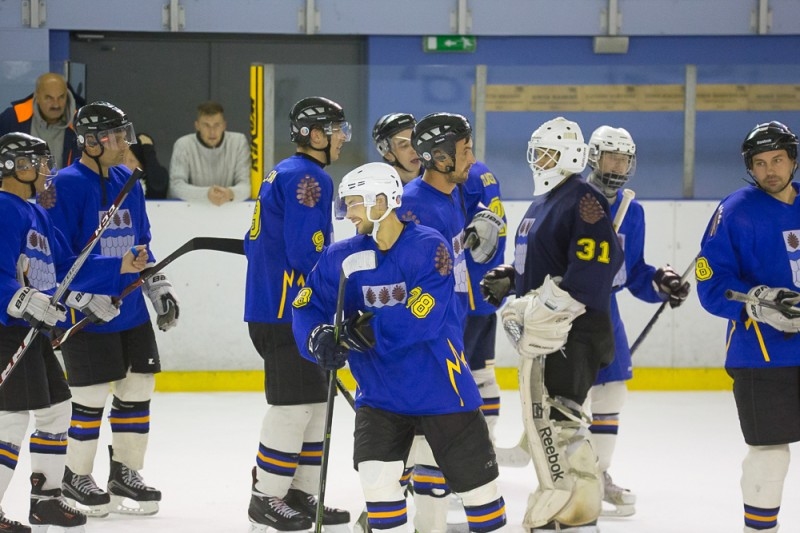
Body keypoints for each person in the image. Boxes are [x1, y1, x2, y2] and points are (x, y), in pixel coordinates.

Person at [291, 161, 508, 533]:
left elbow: (424, 313)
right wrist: (317, 337)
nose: (348, 214)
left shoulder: (429, 247)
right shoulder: (340, 257)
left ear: (382, 200)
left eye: (354, 203)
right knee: (376, 480)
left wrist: (368, 330)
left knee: (479, 493)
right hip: (380, 396)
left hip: (442, 390)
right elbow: (306, 304)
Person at [481, 117, 623, 533]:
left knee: (562, 423)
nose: (538, 161)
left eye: (547, 153)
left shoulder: (583, 200)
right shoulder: (544, 201)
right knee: (545, 422)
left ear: (571, 156)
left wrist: (550, 307)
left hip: (573, 335)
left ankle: (579, 512)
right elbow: (546, 261)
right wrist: (513, 278)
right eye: (537, 152)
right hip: (549, 334)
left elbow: (598, 263)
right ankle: (563, 503)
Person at [0, 132, 147, 532]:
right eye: (39, 162)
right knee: (10, 420)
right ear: (16, 166)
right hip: (6, 331)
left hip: (32, 332)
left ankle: (45, 500)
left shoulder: (37, 212)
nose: (47, 170)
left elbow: (68, 263)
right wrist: (20, 299)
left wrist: (115, 271)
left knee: (57, 409)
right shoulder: (2, 208)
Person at [44, 101, 181, 518]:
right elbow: (54, 259)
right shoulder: (62, 186)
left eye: (125, 133)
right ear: (90, 142)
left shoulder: (129, 178)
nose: (126, 142)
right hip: (85, 312)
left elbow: (142, 243)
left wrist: (157, 286)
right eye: (116, 136)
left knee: (138, 390)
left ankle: (125, 472)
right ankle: (75, 475)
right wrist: (86, 295)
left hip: (129, 309)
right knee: (88, 398)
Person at [244, 96, 352, 532]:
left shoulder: (287, 171)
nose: (342, 136)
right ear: (314, 134)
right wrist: (341, 286)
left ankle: (299, 493)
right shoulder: (309, 177)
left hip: (279, 307)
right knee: (292, 408)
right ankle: (266, 497)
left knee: (312, 407)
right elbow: (306, 252)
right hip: (288, 313)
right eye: (336, 129)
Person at [696, 120, 800, 533]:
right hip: (762, 354)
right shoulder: (734, 211)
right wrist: (756, 304)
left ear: (793, 160)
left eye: (777, 159)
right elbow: (710, 283)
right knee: (769, 454)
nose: (770, 170)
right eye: (760, 163)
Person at [584, 125, 690, 517]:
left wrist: (662, 283)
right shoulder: (569, 200)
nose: (618, 165)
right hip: (568, 314)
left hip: (605, 314)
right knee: (568, 403)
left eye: (624, 158)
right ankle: (570, 480)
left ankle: (597, 474)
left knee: (611, 396)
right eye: (611, 156)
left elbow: (633, 273)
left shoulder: (634, 210)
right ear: (593, 157)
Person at [168, 101, 251, 205]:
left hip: (230, 213)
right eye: (206, 125)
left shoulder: (238, 142)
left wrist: (229, 193)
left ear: (224, 125)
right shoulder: (183, 144)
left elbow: (246, 186)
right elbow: (176, 186)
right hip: (192, 214)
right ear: (197, 125)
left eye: (217, 125)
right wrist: (206, 194)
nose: (212, 131)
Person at [0, 73, 80, 169]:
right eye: (49, 98)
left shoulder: (80, 125)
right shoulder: (12, 120)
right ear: (37, 97)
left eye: (61, 97)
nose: (56, 105)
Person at [372, 113, 421, 184]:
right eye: (404, 146)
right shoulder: (379, 189)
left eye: (415, 142)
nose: (414, 150)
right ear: (388, 154)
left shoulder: (439, 180)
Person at [123, 133, 169, 199]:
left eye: (131, 161)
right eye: (123, 160)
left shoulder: (156, 176)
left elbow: (158, 187)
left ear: (143, 164)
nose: (125, 165)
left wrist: (148, 150)